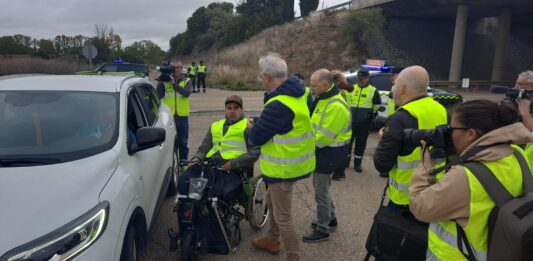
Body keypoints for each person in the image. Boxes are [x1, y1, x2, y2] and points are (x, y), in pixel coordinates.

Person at [409, 99, 533, 260]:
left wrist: (425, 165)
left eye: (452, 128)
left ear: (470, 133)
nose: (449, 133)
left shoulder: (466, 175)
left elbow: (420, 207)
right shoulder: (516, 153)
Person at [249, 53, 315, 261]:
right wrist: (264, 120)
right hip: (293, 164)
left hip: (283, 169)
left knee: (283, 216)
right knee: (274, 203)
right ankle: (271, 238)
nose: (261, 80)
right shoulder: (301, 93)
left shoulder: (277, 104)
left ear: (268, 76)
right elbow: (289, 121)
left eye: (261, 76)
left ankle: (293, 256)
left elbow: (257, 137)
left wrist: (253, 126)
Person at [373, 65, 448, 212]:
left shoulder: (399, 117)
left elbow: (381, 164)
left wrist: (384, 138)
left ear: (401, 89)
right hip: (434, 192)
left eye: (395, 86)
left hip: (405, 199)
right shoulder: (441, 110)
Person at [177, 95, 260, 199]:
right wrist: (197, 158)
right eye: (229, 108)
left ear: (242, 110)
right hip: (210, 165)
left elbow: (254, 152)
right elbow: (204, 148)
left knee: (216, 191)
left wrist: (233, 164)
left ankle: (212, 212)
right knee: (184, 180)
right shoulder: (215, 126)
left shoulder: (248, 127)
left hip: (232, 169)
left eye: (236, 108)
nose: (232, 111)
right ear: (225, 110)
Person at [303, 69, 351, 242]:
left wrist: (301, 143)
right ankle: (331, 219)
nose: (311, 88)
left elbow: (322, 139)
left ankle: (323, 229)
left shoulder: (336, 105)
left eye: (314, 85)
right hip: (323, 152)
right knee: (321, 187)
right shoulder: (323, 98)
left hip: (329, 152)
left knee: (320, 191)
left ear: (325, 85)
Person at [160, 59, 193, 163]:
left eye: (178, 67)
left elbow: (186, 93)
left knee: (183, 142)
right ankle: (171, 163)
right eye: (173, 67)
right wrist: (161, 80)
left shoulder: (187, 81)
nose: (176, 69)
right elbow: (159, 95)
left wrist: (174, 84)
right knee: (169, 142)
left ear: (182, 69)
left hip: (182, 117)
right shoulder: (165, 81)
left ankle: (183, 162)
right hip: (169, 117)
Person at [349, 69, 381, 173]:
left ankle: (357, 164)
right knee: (348, 143)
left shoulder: (373, 90)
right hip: (351, 121)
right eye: (358, 78)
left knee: (361, 144)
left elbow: (377, 106)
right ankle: (345, 162)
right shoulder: (352, 88)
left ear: (367, 78)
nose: (360, 80)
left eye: (362, 78)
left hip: (364, 123)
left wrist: (369, 115)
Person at [378, 66, 405, 178]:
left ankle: (387, 169)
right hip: (392, 121)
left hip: (397, 123)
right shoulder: (395, 87)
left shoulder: (400, 88)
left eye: (393, 75)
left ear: (400, 75)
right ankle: (388, 169)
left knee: (391, 146)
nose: (390, 77)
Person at [331, 69, 354, 180]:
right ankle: (341, 172)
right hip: (348, 120)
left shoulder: (338, 92)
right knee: (345, 147)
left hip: (340, 121)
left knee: (337, 148)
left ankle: (337, 173)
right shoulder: (347, 90)